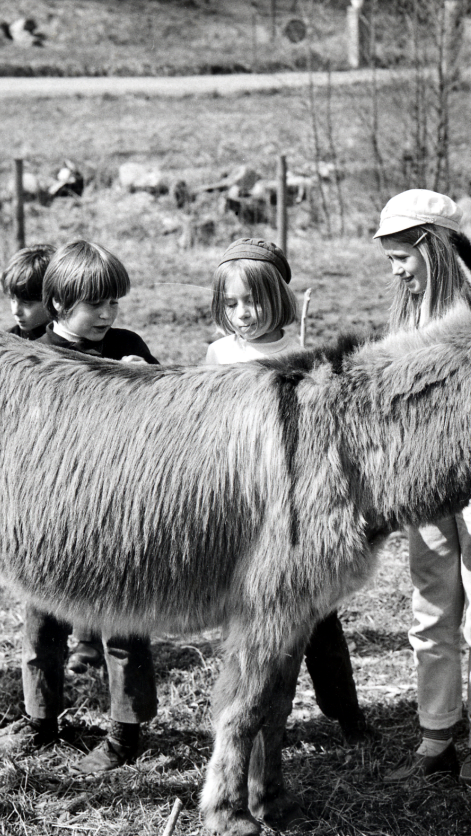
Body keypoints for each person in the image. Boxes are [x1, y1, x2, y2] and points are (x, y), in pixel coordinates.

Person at [205, 238, 378, 745]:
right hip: (242, 504)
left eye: (252, 301)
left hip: (300, 509)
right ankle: (256, 716)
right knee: (254, 621)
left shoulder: (297, 355)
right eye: (230, 304)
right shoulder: (218, 356)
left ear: (279, 298)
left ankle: (344, 710)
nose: (242, 314)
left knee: (319, 624)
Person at [374, 189, 471, 788]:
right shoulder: (404, 320)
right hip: (425, 489)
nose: (397, 271)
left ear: (434, 248)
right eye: (390, 259)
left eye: (403, 256)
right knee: (431, 612)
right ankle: (436, 732)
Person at [23, 238, 160, 773]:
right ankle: (42, 720)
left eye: (113, 302)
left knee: (125, 627)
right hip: (48, 516)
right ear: (58, 304)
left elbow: (168, 413)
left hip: (117, 514)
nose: (107, 314)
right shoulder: (32, 356)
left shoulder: (127, 344)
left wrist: (146, 380)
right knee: (42, 624)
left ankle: (126, 732)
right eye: (95, 304)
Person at [1, 246, 106, 678]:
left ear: (54, 299)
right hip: (43, 495)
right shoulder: (15, 349)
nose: (18, 310)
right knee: (41, 608)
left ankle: (87, 641)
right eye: (13, 299)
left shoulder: (112, 347)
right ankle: (40, 708)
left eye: (28, 301)